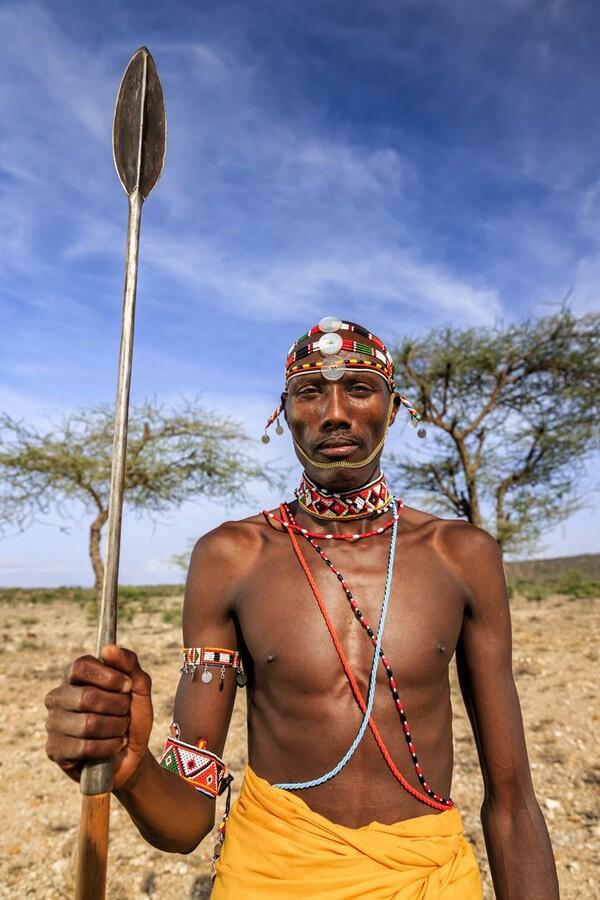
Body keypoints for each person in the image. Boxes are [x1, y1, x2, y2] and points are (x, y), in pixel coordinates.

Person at [45, 318, 559, 899]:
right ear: (284, 413)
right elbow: (187, 822)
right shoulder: (231, 559)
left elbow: (514, 803)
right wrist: (130, 769)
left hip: (428, 878)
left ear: (393, 410)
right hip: (271, 876)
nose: (334, 412)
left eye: (360, 388)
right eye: (309, 392)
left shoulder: (463, 556)